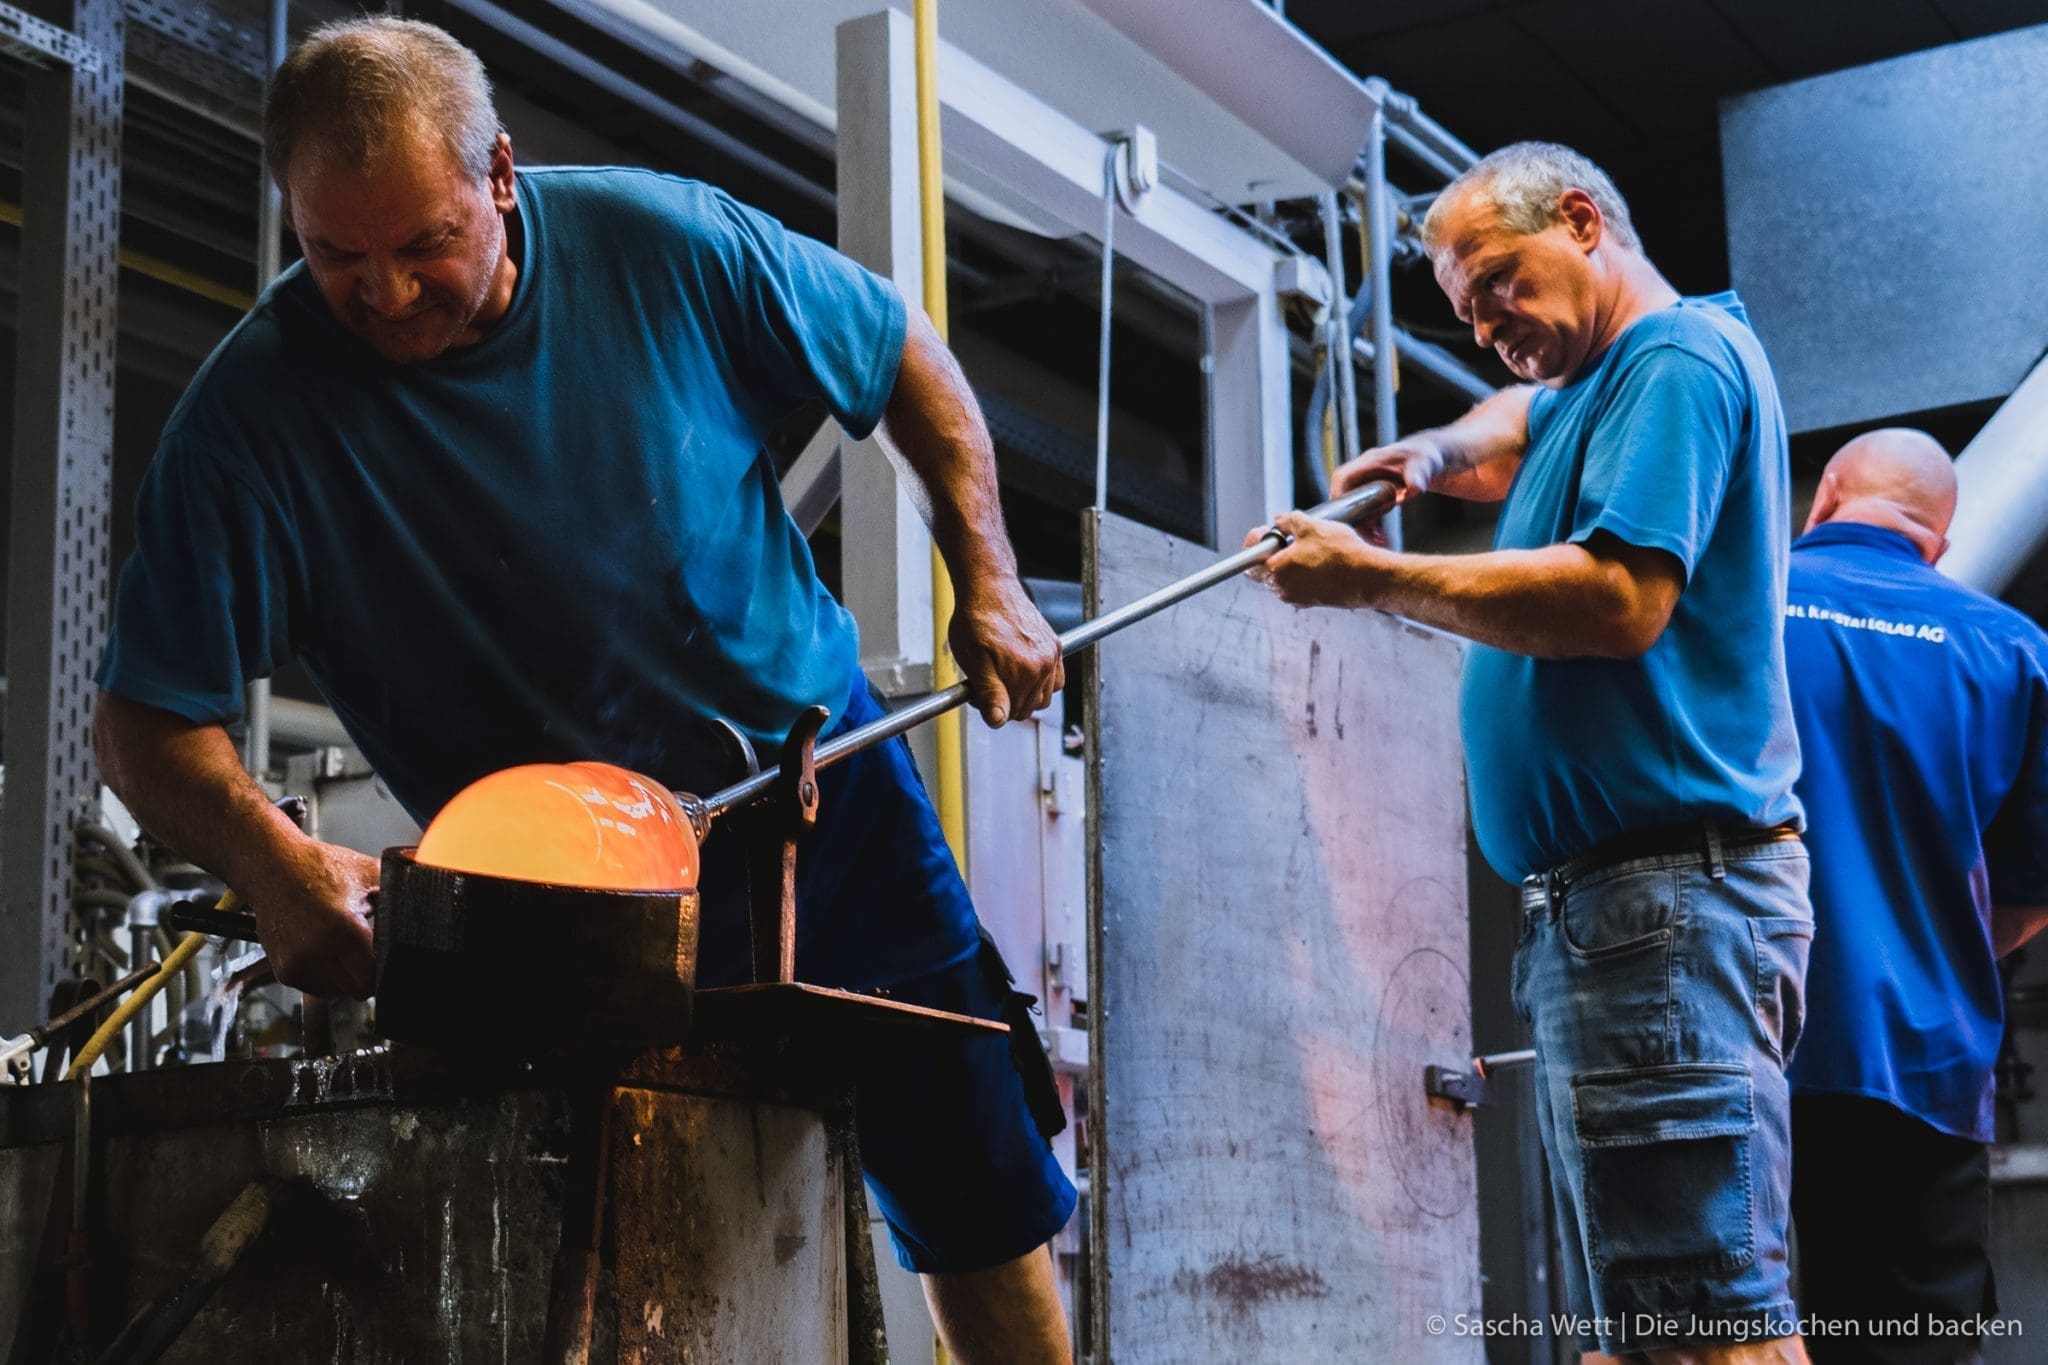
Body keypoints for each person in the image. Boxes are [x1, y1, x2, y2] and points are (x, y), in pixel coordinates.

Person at [89, 17, 1074, 1362]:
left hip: (818, 790)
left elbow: (900, 348)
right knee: (600, 1229)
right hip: (544, 899)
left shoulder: (664, 246)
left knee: (975, 1175)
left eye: (422, 243)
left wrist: (994, 579)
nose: (383, 296)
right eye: (338, 258)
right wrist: (272, 861)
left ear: (499, 174)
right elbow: (146, 722)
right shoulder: (252, 419)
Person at [1250, 142, 1811, 1364]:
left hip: (1658, 905)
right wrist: (1435, 455)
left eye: (1498, 279)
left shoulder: (1667, 360)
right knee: (1659, 1318)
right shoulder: (1599, 381)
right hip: (1624, 912)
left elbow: (1620, 598)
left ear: (1578, 220)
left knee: (1707, 1328)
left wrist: (1373, 580)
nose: (1488, 322)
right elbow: (1519, 420)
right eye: (1463, 310)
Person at [1781, 429, 2048, 1364]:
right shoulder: (2016, 649)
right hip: (1922, 1062)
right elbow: (2030, 893)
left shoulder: (1729, 604)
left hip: (1729, 1042)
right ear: (1939, 541)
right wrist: (1922, 951)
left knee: (1694, 1337)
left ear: (1823, 499)